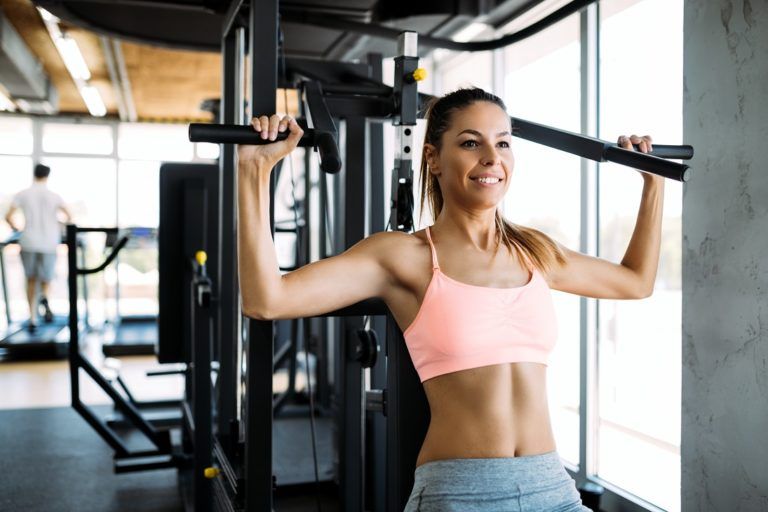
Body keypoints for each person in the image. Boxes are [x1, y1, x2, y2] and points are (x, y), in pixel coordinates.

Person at [237, 87, 664, 511]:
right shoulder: (403, 256)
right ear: (433, 158)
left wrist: (653, 183)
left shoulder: (535, 250)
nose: (492, 158)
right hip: (460, 494)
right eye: (470, 142)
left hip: (551, 488)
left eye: (502, 143)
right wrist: (253, 174)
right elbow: (267, 299)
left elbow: (634, 281)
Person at [4, 163, 72, 331]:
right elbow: (69, 216)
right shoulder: (54, 196)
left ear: (34, 174)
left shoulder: (23, 194)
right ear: (47, 176)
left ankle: (33, 317)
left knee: (31, 279)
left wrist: (17, 229)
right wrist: (56, 224)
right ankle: (45, 300)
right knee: (46, 278)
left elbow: (8, 216)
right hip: (49, 242)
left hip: (28, 240)